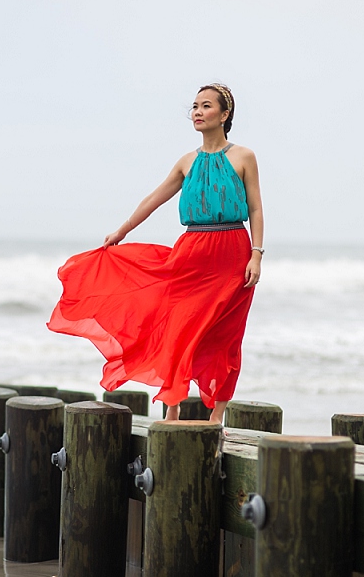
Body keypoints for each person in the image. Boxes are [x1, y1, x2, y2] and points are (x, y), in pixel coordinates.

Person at [46, 83, 264, 424]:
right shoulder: (186, 162)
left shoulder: (244, 157)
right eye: (194, 106)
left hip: (232, 254)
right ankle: (172, 409)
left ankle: (216, 417)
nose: (197, 112)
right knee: (178, 329)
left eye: (206, 106)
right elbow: (154, 198)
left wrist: (256, 254)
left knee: (225, 334)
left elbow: (255, 208)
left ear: (224, 115)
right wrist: (122, 230)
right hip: (191, 252)